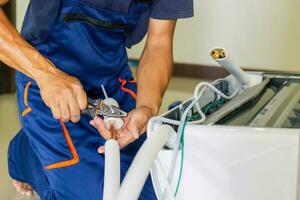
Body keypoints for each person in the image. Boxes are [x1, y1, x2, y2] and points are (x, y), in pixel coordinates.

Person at [0, 0, 193, 199]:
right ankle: (24, 151)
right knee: (89, 195)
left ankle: (39, 140)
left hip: (111, 86)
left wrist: (147, 106)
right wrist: (46, 74)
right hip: (47, 84)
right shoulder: (46, 77)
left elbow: (158, 44)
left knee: (161, 187)